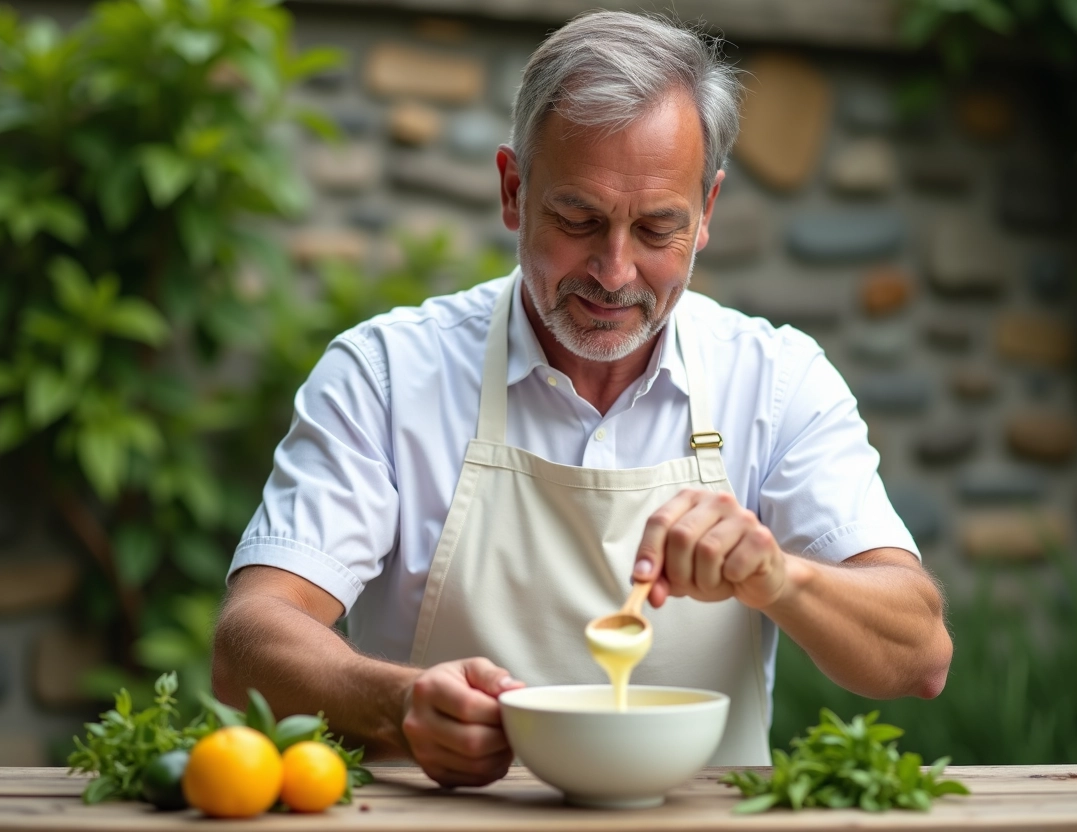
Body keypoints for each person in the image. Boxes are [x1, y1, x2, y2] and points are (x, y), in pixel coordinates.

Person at [212, 10, 952, 787]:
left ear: (706, 215)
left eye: (657, 227)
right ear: (512, 190)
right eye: (579, 218)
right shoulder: (388, 374)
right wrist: (397, 704)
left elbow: (919, 655)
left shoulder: (776, 381)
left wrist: (779, 576)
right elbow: (249, 641)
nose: (615, 270)